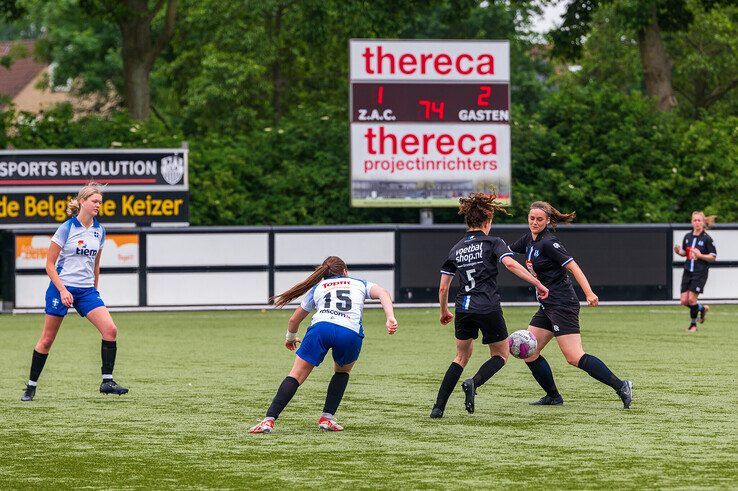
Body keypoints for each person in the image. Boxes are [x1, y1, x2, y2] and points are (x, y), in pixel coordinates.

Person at [430, 193, 549, 419]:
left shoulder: (456, 249)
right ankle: (473, 382)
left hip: (463, 309)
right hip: (488, 307)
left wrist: (444, 311)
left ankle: (438, 408)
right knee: (501, 355)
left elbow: (443, 288)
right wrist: (537, 282)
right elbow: (511, 264)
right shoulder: (493, 242)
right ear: (487, 222)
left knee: (460, 357)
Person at [249, 256, 397, 434]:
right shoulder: (359, 283)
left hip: (320, 328)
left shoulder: (318, 287)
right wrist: (390, 317)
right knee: (342, 372)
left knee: (296, 375)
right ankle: (327, 418)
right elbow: (383, 293)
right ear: (345, 271)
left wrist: (290, 337)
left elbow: (294, 319)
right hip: (348, 332)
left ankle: (268, 421)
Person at [509, 201, 632, 409]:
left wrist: (589, 292)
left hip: (562, 304)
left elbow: (573, 267)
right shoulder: (529, 240)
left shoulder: (549, 242)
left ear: (548, 221)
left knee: (574, 357)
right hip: (546, 305)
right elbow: (505, 252)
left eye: (540, 219)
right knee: (529, 352)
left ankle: (621, 386)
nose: (535, 222)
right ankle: (553, 396)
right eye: (532, 218)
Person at [21, 183, 128, 402]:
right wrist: (62, 290)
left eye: (100, 201)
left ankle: (107, 381)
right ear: (82, 202)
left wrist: (94, 292)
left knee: (111, 330)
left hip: (86, 291)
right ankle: (31, 387)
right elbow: (49, 265)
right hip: (61, 288)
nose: (98, 205)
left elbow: (96, 266)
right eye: (94, 201)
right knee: (47, 340)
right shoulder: (67, 228)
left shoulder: (100, 231)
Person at [674, 211, 717, 332]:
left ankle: (693, 325)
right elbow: (685, 253)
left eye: (699, 220)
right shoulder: (688, 236)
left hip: (700, 272)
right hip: (688, 271)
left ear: (703, 223)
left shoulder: (707, 239)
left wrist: (700, 255)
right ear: (691, 222)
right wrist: (678, 251)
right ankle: (701, 309)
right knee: (684, 300)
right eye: (695, 220)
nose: (697, 223)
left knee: (692, 300)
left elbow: (713, 257)